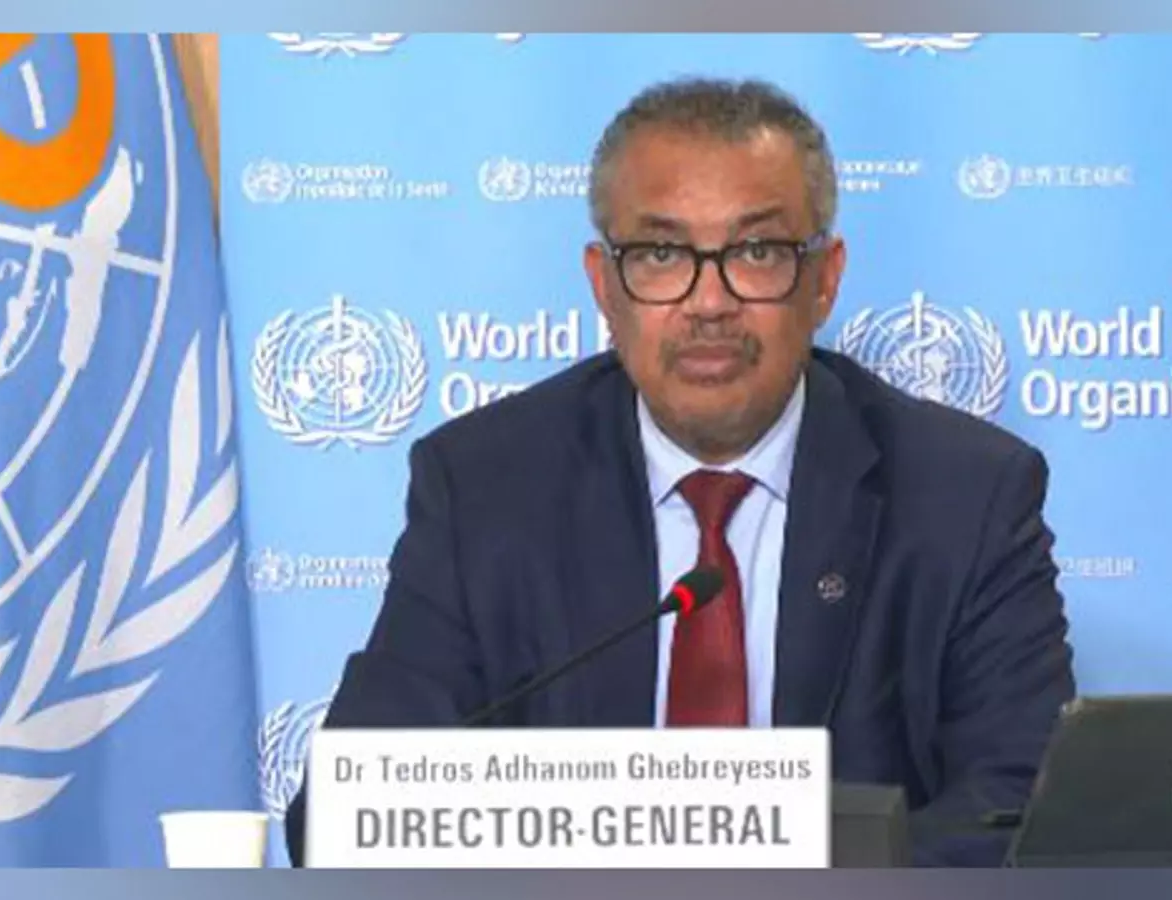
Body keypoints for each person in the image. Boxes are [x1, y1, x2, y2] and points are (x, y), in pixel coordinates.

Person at [285, 77, 1075, 867]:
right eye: (661, 256)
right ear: (603, 284)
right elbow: (344, 815)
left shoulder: (965, 496)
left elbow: (1022, 814)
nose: (709, 303)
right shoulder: (486, 488)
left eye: (756, 252)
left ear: (825, 279)